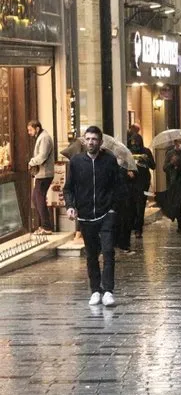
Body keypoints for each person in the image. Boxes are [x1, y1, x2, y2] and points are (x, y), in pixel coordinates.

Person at [63, 126, 124, 307]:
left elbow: (118, 186)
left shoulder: (109, 161)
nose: (91, 142)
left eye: (94, 139)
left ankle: (108, 291)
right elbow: (68, 188)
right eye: (88, 139)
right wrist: (71, 206)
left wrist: (113, 208)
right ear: (83, 140)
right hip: (86, 215)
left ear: (100, 141)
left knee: (108, 252)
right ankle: (95, 290)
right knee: (91, 255)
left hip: (107, 213)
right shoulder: (76, 162)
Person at [27, 120, 55, 234]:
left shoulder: (44, 138)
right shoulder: (42, 137)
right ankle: (44, 225)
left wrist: (31, 162)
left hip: (45, 174)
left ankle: (46, 227)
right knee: (36, 198)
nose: (29, 132)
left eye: (30, 130)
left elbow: (42, 156)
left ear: (37, 128)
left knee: (39, 199)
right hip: (41, 174)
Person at [128, 134, 156, 237]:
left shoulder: (146, 151)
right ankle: (133, 226)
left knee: (140, 206)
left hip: (142, 182)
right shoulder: (128, 151)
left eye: (136, 142)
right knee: (131, 206)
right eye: (132, 142)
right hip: (130, 183)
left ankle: (138, 229)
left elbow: (153, 166)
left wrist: (146, 160)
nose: (134, 144)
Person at [163, 139, 181, 232]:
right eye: (178, 143)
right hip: (175, 182)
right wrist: (172, 163)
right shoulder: (170, 154)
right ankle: (180, 222)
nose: (180, 145)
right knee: (177, 203)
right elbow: (164, 168)